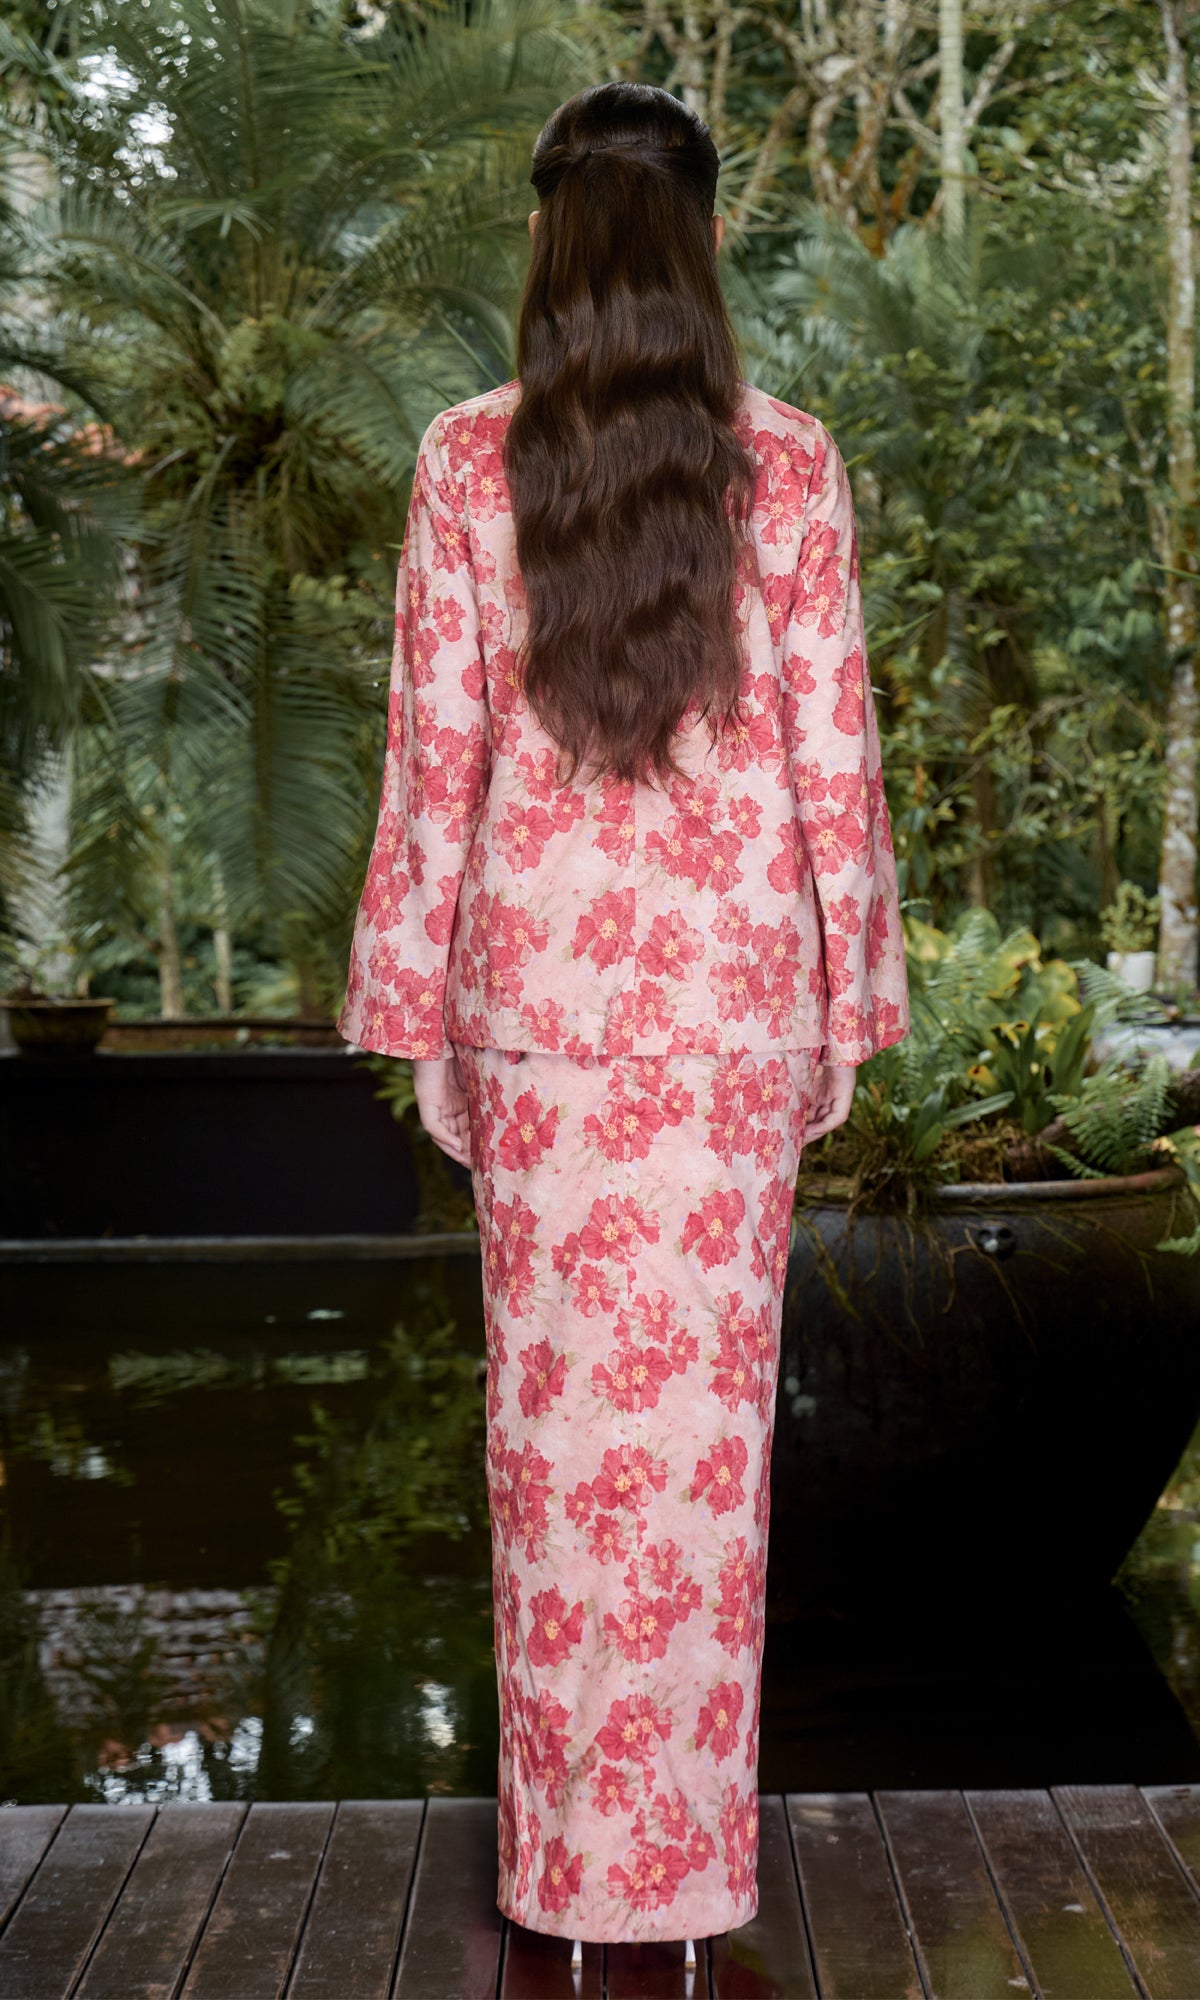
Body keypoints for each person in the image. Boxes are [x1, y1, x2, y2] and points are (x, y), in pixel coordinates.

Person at [337, 78, 909, 1964]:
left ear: (544, 238)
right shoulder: (792, 465)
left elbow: (433, 762)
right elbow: (836, 757)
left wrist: (414, 1015)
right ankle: (690, 1884)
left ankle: (569, 1880)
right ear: (707, 238)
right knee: (706, 1463)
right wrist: (849, 1005)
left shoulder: (463, 460)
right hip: (735, 1022)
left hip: (539, 1022)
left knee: (558, 1449)